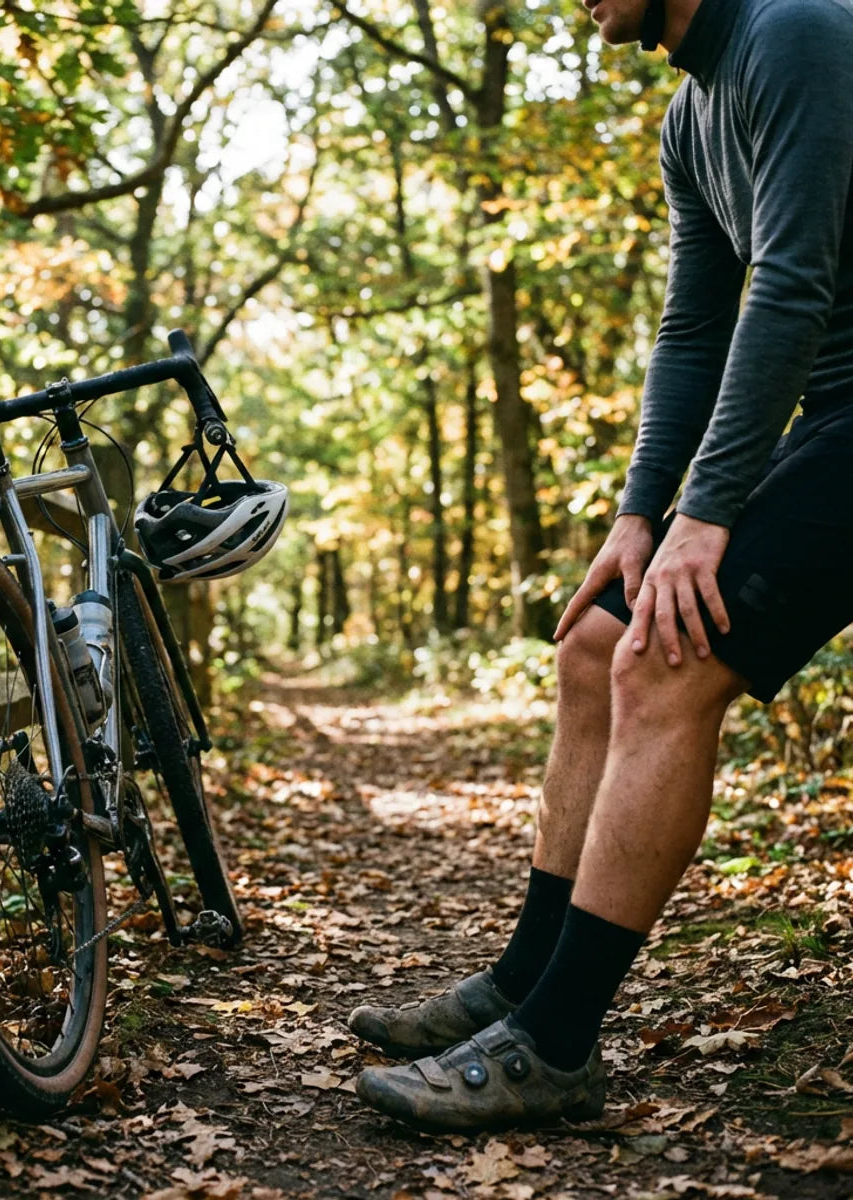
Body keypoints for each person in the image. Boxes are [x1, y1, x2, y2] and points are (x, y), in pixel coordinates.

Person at [349, 0, 853, 1132]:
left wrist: (708, 515)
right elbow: (693, 328)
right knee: (593, 639)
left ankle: (560, 1042)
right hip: (829, 416)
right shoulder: (691, 115)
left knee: (663, 664)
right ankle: (526, 982)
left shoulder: (800, 30)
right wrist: (641, 519)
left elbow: (793, 281)